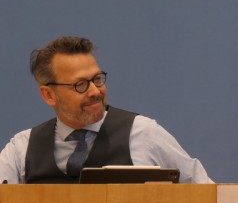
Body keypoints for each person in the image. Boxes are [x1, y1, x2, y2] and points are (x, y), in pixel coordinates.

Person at [0, 36, 212, 184]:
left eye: (97, 79)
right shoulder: (22, 148)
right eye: (80, 84)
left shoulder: (145, 134)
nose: (95, 91)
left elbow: (205, 195)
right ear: (48, 95)